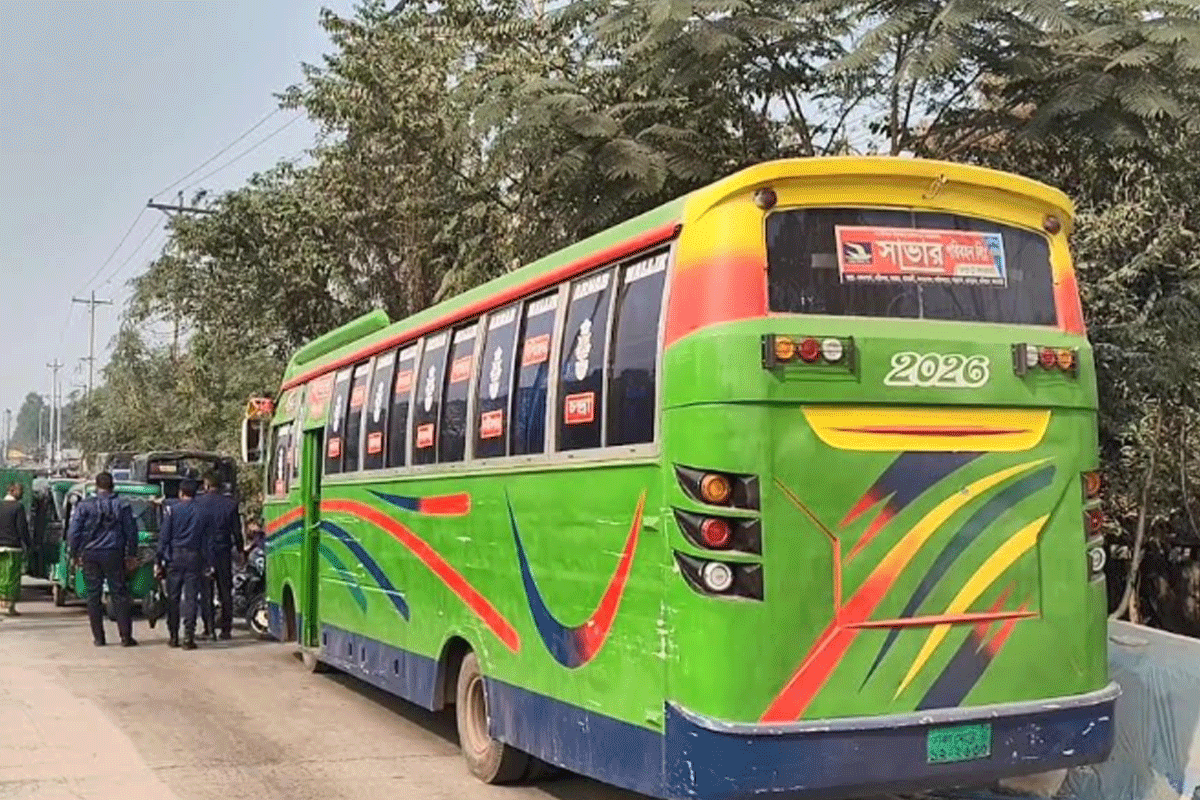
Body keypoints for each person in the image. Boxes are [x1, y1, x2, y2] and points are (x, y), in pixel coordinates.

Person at [67, 472, 138, 646]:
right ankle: (125, 637)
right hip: (114, 553)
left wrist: (74, 554)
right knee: (119, 594)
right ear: (112, 485)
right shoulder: (123, 505)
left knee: (93, 596)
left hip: (90, 554)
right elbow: (131, 532)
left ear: (96, 486)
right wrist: (132, 554)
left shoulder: (85, 505)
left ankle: (99, 638)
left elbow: (74, 532)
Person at [156, 478, 207, 649]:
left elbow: (164, 537)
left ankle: (173, 636)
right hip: (194, 557)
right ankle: (189, 637)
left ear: (180, 493)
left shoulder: (172, 510)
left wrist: (159, 560)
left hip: (174, 558)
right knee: (191, 598)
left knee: (173, 598)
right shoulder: (202, 511)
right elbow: (207, 540)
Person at [195, 471, 242, 640]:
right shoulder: (230, 504)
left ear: (206, 485)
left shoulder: (198, 503)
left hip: (204, 553)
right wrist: (241, 551)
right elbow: (237, 531)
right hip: (223, 552)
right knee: (225, 591)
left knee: (206, 592)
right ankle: (226, 629)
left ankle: (208, 629)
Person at [0, 483, 30, 616]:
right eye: (20, 491)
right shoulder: (18, 507)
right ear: (12, 491)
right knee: (12, 578)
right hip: (13, 548)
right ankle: (8, 607)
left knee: (1, 576)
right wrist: (28, 545)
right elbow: (22, 528)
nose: (22, 493)